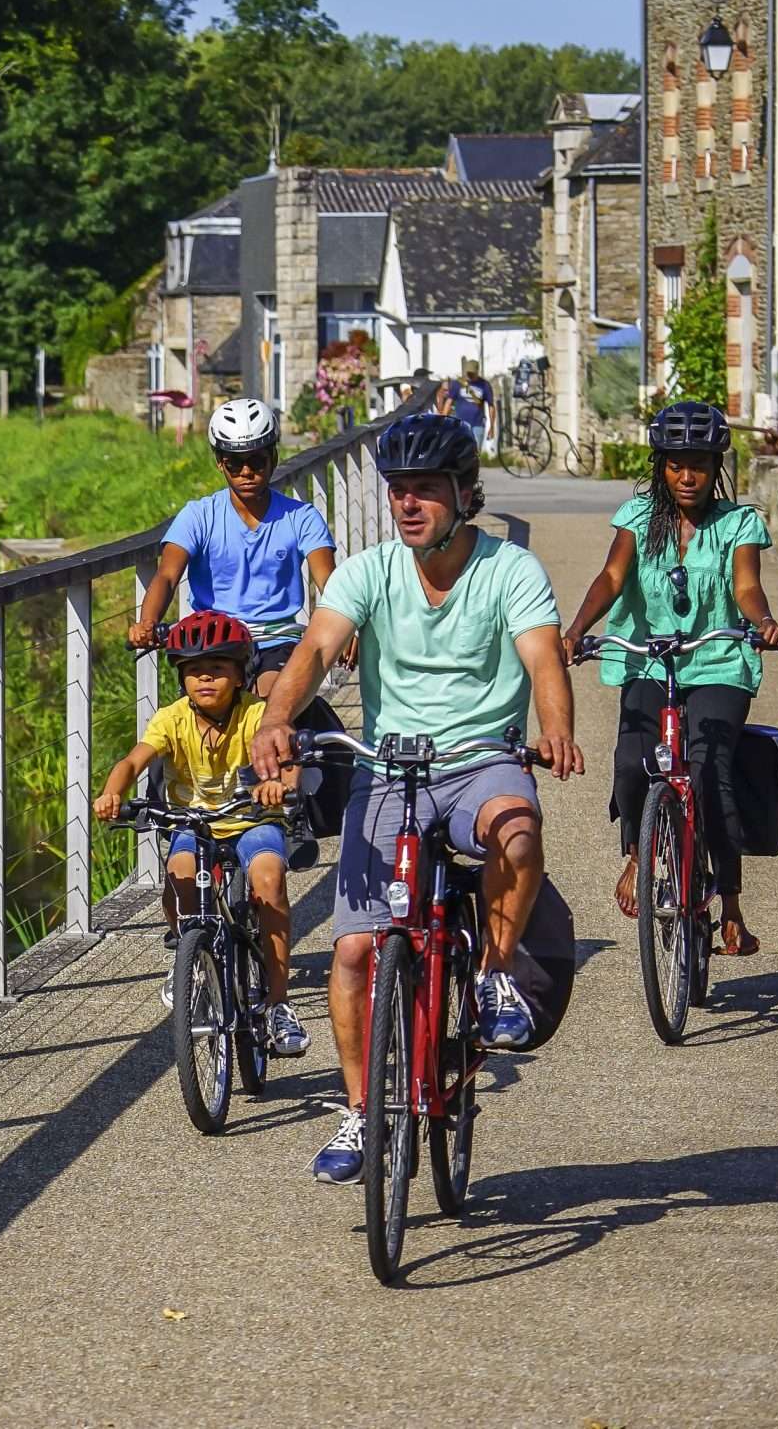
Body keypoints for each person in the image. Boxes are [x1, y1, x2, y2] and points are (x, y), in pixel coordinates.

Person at [251, 413, 584, 1184]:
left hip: (481, 759)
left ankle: (496, 970)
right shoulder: (368, 571)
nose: (407, 504)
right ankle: (362, 1109)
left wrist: (557, 730)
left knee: (519, 835)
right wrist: (275, 720)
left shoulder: (510, 570)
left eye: (425, 491)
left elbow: (542, 660)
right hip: (389, 768)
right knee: (355, 950)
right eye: (398, 490)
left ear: (465, 495)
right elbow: (316, 650)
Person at [558, 400, 778, 955]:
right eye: (675, 464)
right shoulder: (637, 519)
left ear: (717, 469)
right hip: (648, 655)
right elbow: (612, 577)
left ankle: (730, 903)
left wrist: (764, 623)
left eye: (700, 465)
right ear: (660, 466)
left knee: (711, 772)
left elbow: (745, 588)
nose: (687, 477)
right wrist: (575, 631)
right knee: (631, 761)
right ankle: (638, 857)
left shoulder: (739, 523)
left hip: (717, 662)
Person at [94, 610, 311, 1057]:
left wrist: (280, 787)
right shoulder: (172, 719)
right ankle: (190, 959)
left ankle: (278, 1003)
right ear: (180, 678)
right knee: (179, 873)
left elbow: (289, 763)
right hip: (193, 822)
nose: (205, 679)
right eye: (193, 671)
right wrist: (113, 791)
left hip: (252, 819)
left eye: (217, 669)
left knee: (269, 881)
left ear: (240, 673)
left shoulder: (258, 714)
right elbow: (134, 761)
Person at [130, 399, 337, 701]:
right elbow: (167, 576)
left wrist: (344, 628)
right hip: (214, 641)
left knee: (270, 699)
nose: (246, 472)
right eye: (234, 463)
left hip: (275, 640)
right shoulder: (198, 515)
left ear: (274, 458)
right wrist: (147, 621)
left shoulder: (302, 517)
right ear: (219, 462)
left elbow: (328, 581)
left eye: (256, 461)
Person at [436, 357, 496, 449]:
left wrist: (492, 427)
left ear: (477, 372)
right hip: (460, 424)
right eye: (468, 373)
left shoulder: (484, 385)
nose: (469, 375)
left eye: (472, 373)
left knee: (475, 453)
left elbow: (491, 406)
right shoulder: (457, 384)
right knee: (459, 452)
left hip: (478, 424)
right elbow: (449, 402)